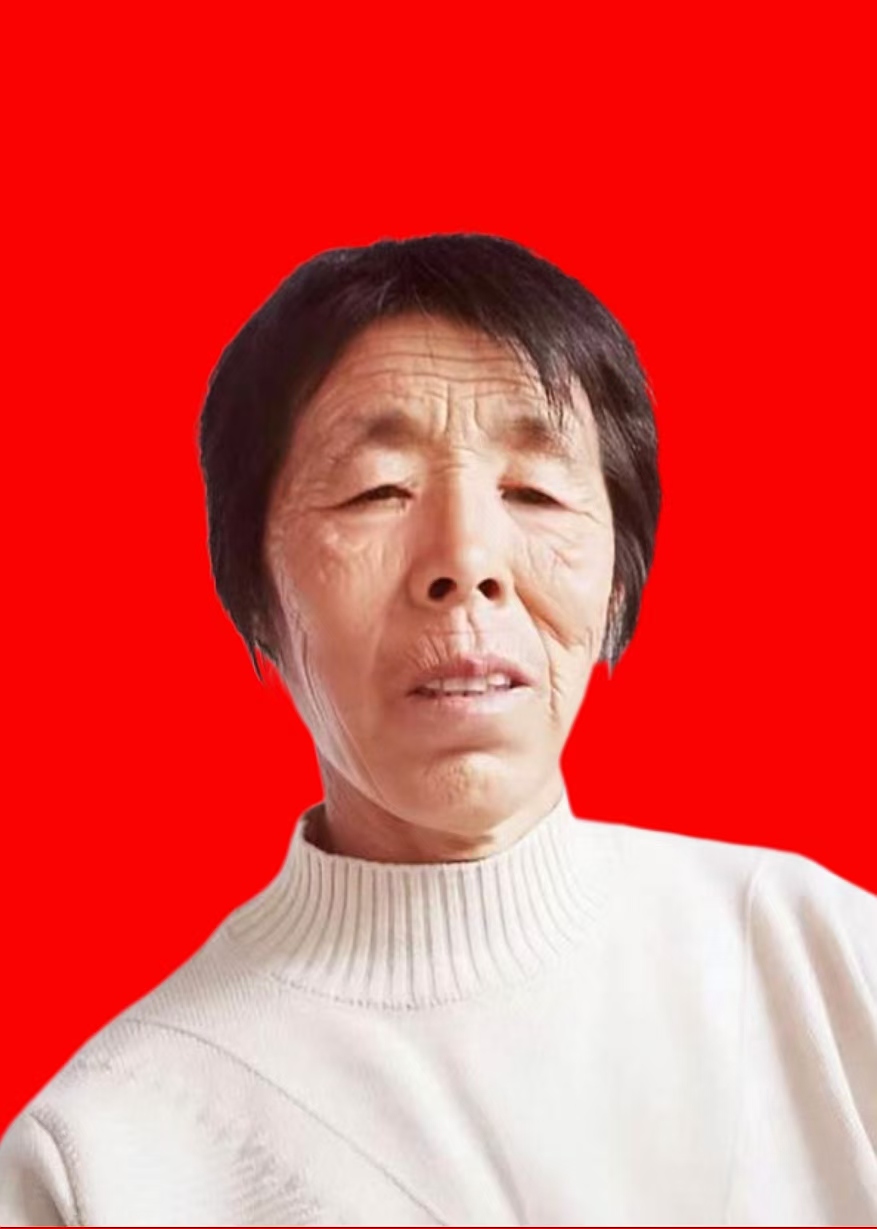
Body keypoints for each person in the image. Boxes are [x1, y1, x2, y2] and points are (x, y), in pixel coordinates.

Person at [1, 234, 875, 1227]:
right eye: (377, 490)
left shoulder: (819, 959)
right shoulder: (106, 1157)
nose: (465, 559)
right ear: (254, 592)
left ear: (618, 576)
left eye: (534, 491)